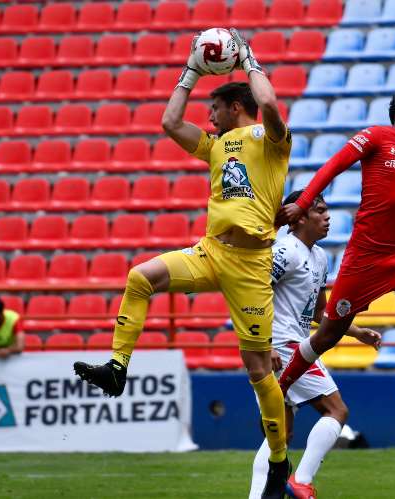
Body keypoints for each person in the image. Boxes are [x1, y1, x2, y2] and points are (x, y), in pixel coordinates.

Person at [73, 29, 292, 498]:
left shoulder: (270, 139)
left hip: (251, 264)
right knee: (140, 277)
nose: (208, 117)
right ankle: (117, 368)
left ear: (235, 106)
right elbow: (169, 122)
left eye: (215, 108)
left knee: (258, 369)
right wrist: (191, 71)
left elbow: (270, 104)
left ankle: (278, 460)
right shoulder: (214, 146)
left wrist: (248, 58)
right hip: (211, 252)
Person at [276, 87, 395, 427]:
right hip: (365, 258)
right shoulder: (376, 137)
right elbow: (333, 167)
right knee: (326, 336)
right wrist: (303, 203)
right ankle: (279, 389)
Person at [249, 191, 381, 499]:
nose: (327, 216)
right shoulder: (284, 251)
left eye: (326, 210)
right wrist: (264, 345)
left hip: (291, 343)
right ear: (298, 219)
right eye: (319, 211)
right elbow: (253, 294)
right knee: (336, 410)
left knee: (281, 434)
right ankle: (301, 481)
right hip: (282, 346)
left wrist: (356, 332)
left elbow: (320, 311)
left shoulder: (319, 257)